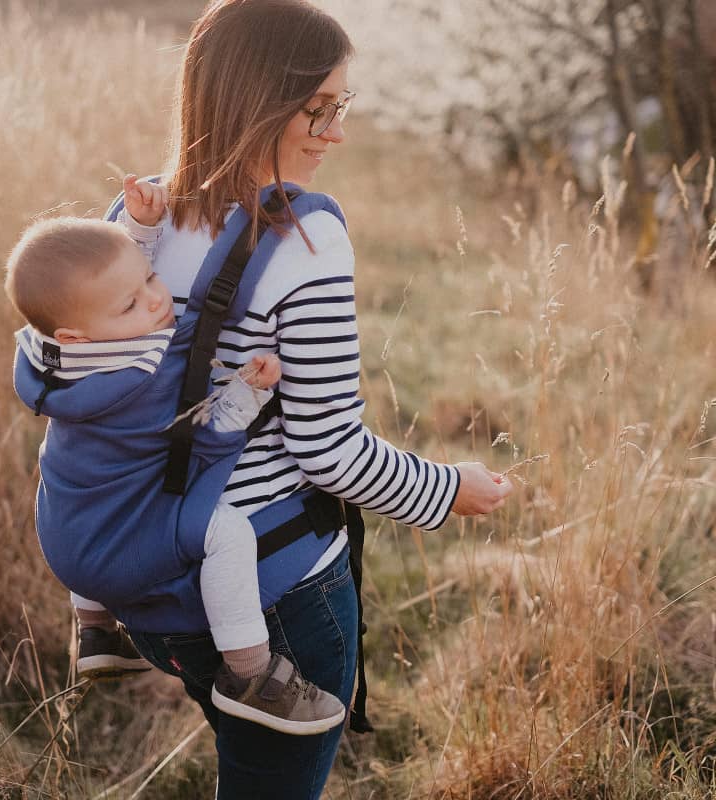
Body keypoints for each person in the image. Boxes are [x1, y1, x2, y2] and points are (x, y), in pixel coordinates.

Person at [111, 1, 514, 797]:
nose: (336, 132)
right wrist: (447, 491)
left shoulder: (136, 219)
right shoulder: (305, 239)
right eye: (317, 109)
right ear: (256, 100)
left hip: (156, 583)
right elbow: (327, 450)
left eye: (343, 107)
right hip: (275, 594)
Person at [6, 175, 347, 735]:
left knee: (65, 469)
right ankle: (251, 675)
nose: (158, 298)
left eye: (151, 278)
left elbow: (97, 289)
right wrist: (248, 393)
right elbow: (203, 435)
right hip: (123, 551)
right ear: (77, 336)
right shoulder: (145, 377)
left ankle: (95, 630)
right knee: (227, 533)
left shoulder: (50, 360)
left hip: (66, 539)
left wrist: (137, 231)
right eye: (134, 305)